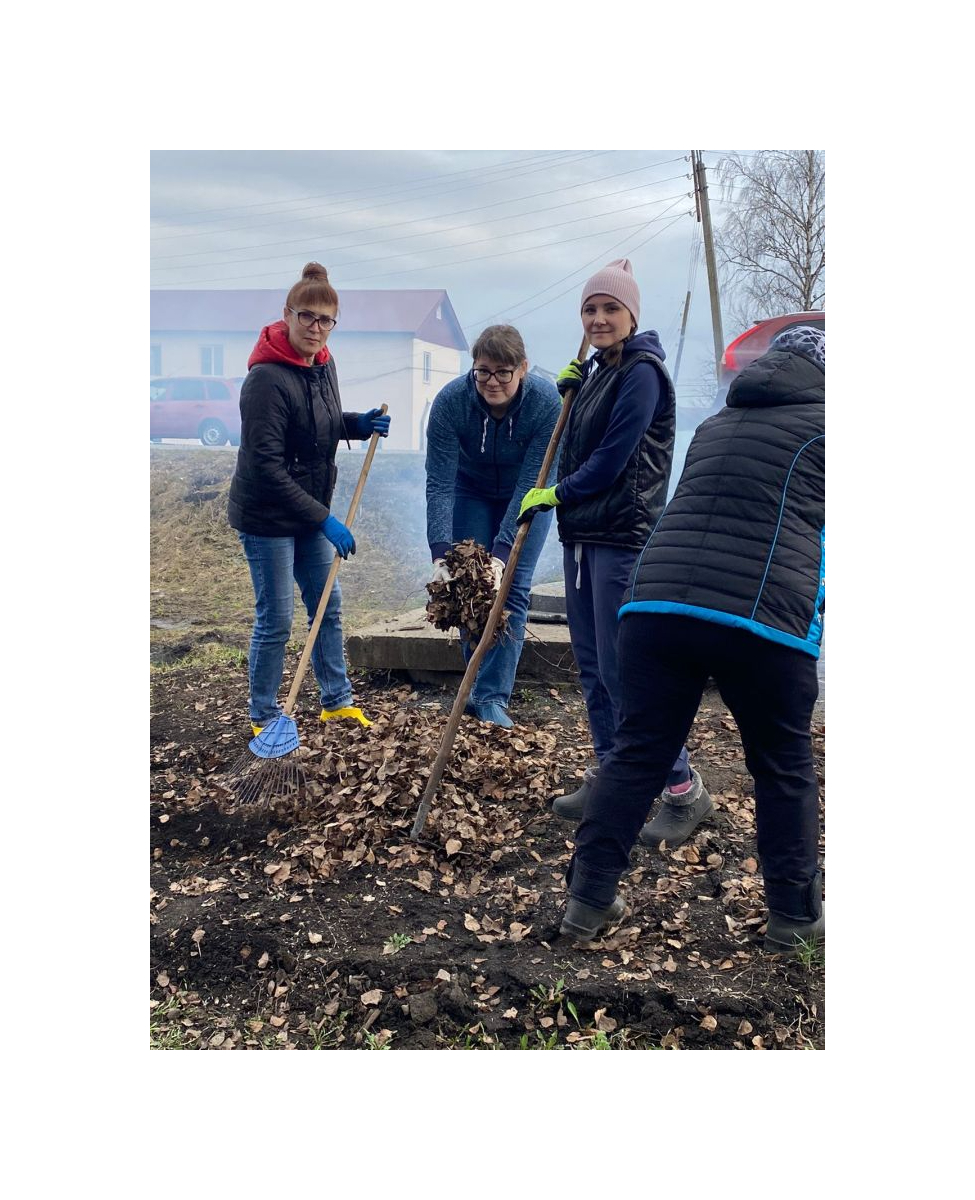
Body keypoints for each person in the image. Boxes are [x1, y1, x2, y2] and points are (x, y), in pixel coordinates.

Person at [556, 326, 826, 956]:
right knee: (782, 766)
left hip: (655, 607)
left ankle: (586, 901)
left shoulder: (715, 426)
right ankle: (794, 915)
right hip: (760, 617)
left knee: (637, 753)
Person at [518, 259, 709, 842]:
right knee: (593, 666)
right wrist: (576, 391)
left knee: (627, 671)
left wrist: (557, 492)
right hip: (584, 535)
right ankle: (611, 770)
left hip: (622, 536)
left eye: (610, 309)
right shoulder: (601, 370)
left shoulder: (644, 372)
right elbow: (583, 445)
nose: (599, 318)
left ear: (632, 315)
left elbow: (614, 460)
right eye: (590, 309)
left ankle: (682, 788)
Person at [227, 262, 390, 735]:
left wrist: (355, 424)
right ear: (288, 315)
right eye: (308, 317)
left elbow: (318, 422)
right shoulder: (264, 380)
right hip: (267, 514)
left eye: (326, 321)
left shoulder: (323, 364)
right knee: (276, 618)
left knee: (326, 605)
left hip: (309, 510)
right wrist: (324, 519)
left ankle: (336, 702)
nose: (317, 329)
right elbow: (266, 467)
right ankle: (264, 717)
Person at [425, 325, 561, 728]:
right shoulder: (452, 401)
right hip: (471, 490)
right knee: (469, 585)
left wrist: (502, 554)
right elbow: (439, 482)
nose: (492, 382)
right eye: (483, 371)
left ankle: (492, 697)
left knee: (510, 588)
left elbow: (530, 482)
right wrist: (439, 550)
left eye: (503, 372)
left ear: (523, 368)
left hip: (529, 494)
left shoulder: (546, 402)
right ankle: (474, 687)